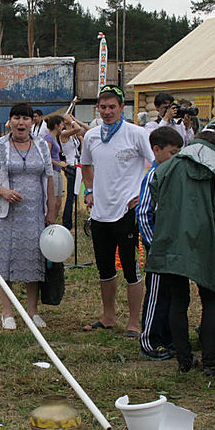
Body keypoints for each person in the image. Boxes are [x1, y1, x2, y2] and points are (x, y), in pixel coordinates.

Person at [145, 130, 215, 375]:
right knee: (211, 299)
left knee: (178, 299)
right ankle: (211, 362)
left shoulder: (168, 166)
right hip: (204, 239)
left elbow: (155, 196)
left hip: (171, 239)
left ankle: (184, 359)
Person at [80, 85, 153, 337]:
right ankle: (108, 316)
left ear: (123, 108)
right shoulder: (91, 136)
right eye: (103, 107)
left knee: (131, 268)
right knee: (105, 267)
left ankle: (134, 322)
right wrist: (89, 191)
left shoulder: (136, 134)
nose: (108, 111)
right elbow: (86, 165)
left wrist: (143, 196)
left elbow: (155, 166)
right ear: (97, 109)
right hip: (100, 212)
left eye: (113, 107)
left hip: (127, 212)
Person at [0, 103, 57, 330]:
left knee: (34, 260)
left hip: (35, 214)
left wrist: (51, 211)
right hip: (7, 214)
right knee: (6, 261)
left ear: (33, 122)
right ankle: (7, 311)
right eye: (16, 118)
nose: (21, 122)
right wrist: (3, 192)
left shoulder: (42, 146)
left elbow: (50, 179)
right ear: (10, 121)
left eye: (26, 118)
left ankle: (32, 311)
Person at [137, 126, 183, 361]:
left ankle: (168, 337)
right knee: (156, 294)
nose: (177, 158)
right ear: (157, 150)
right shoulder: (154, 175)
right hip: (157, 249)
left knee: (172, 294)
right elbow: (144, 214)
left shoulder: (176, 174)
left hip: (175, 249)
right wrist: (154, 245)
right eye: (173, 153)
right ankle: (150, 340)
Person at [59, 112, 84, 231]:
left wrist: (75, 120)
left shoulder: (74, 135)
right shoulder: (64, 134)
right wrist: (73, 121)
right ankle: (67, 223)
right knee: (70, 196)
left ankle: (69, 221)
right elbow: (78, 128)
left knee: (74, 195)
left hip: (77, 165)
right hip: (71, 166)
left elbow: (85, 130)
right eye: (66, 118)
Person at [44, 114, 65, 225]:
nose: (63, 127)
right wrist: (60, 164)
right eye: (61, 125)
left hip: (57, 171)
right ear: (56, 125)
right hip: (53, 172)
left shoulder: (55, 138)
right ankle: (49, 223)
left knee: (58, 202)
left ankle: (53, 222)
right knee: (54, 202)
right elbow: (47, 157)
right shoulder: (48, 139)